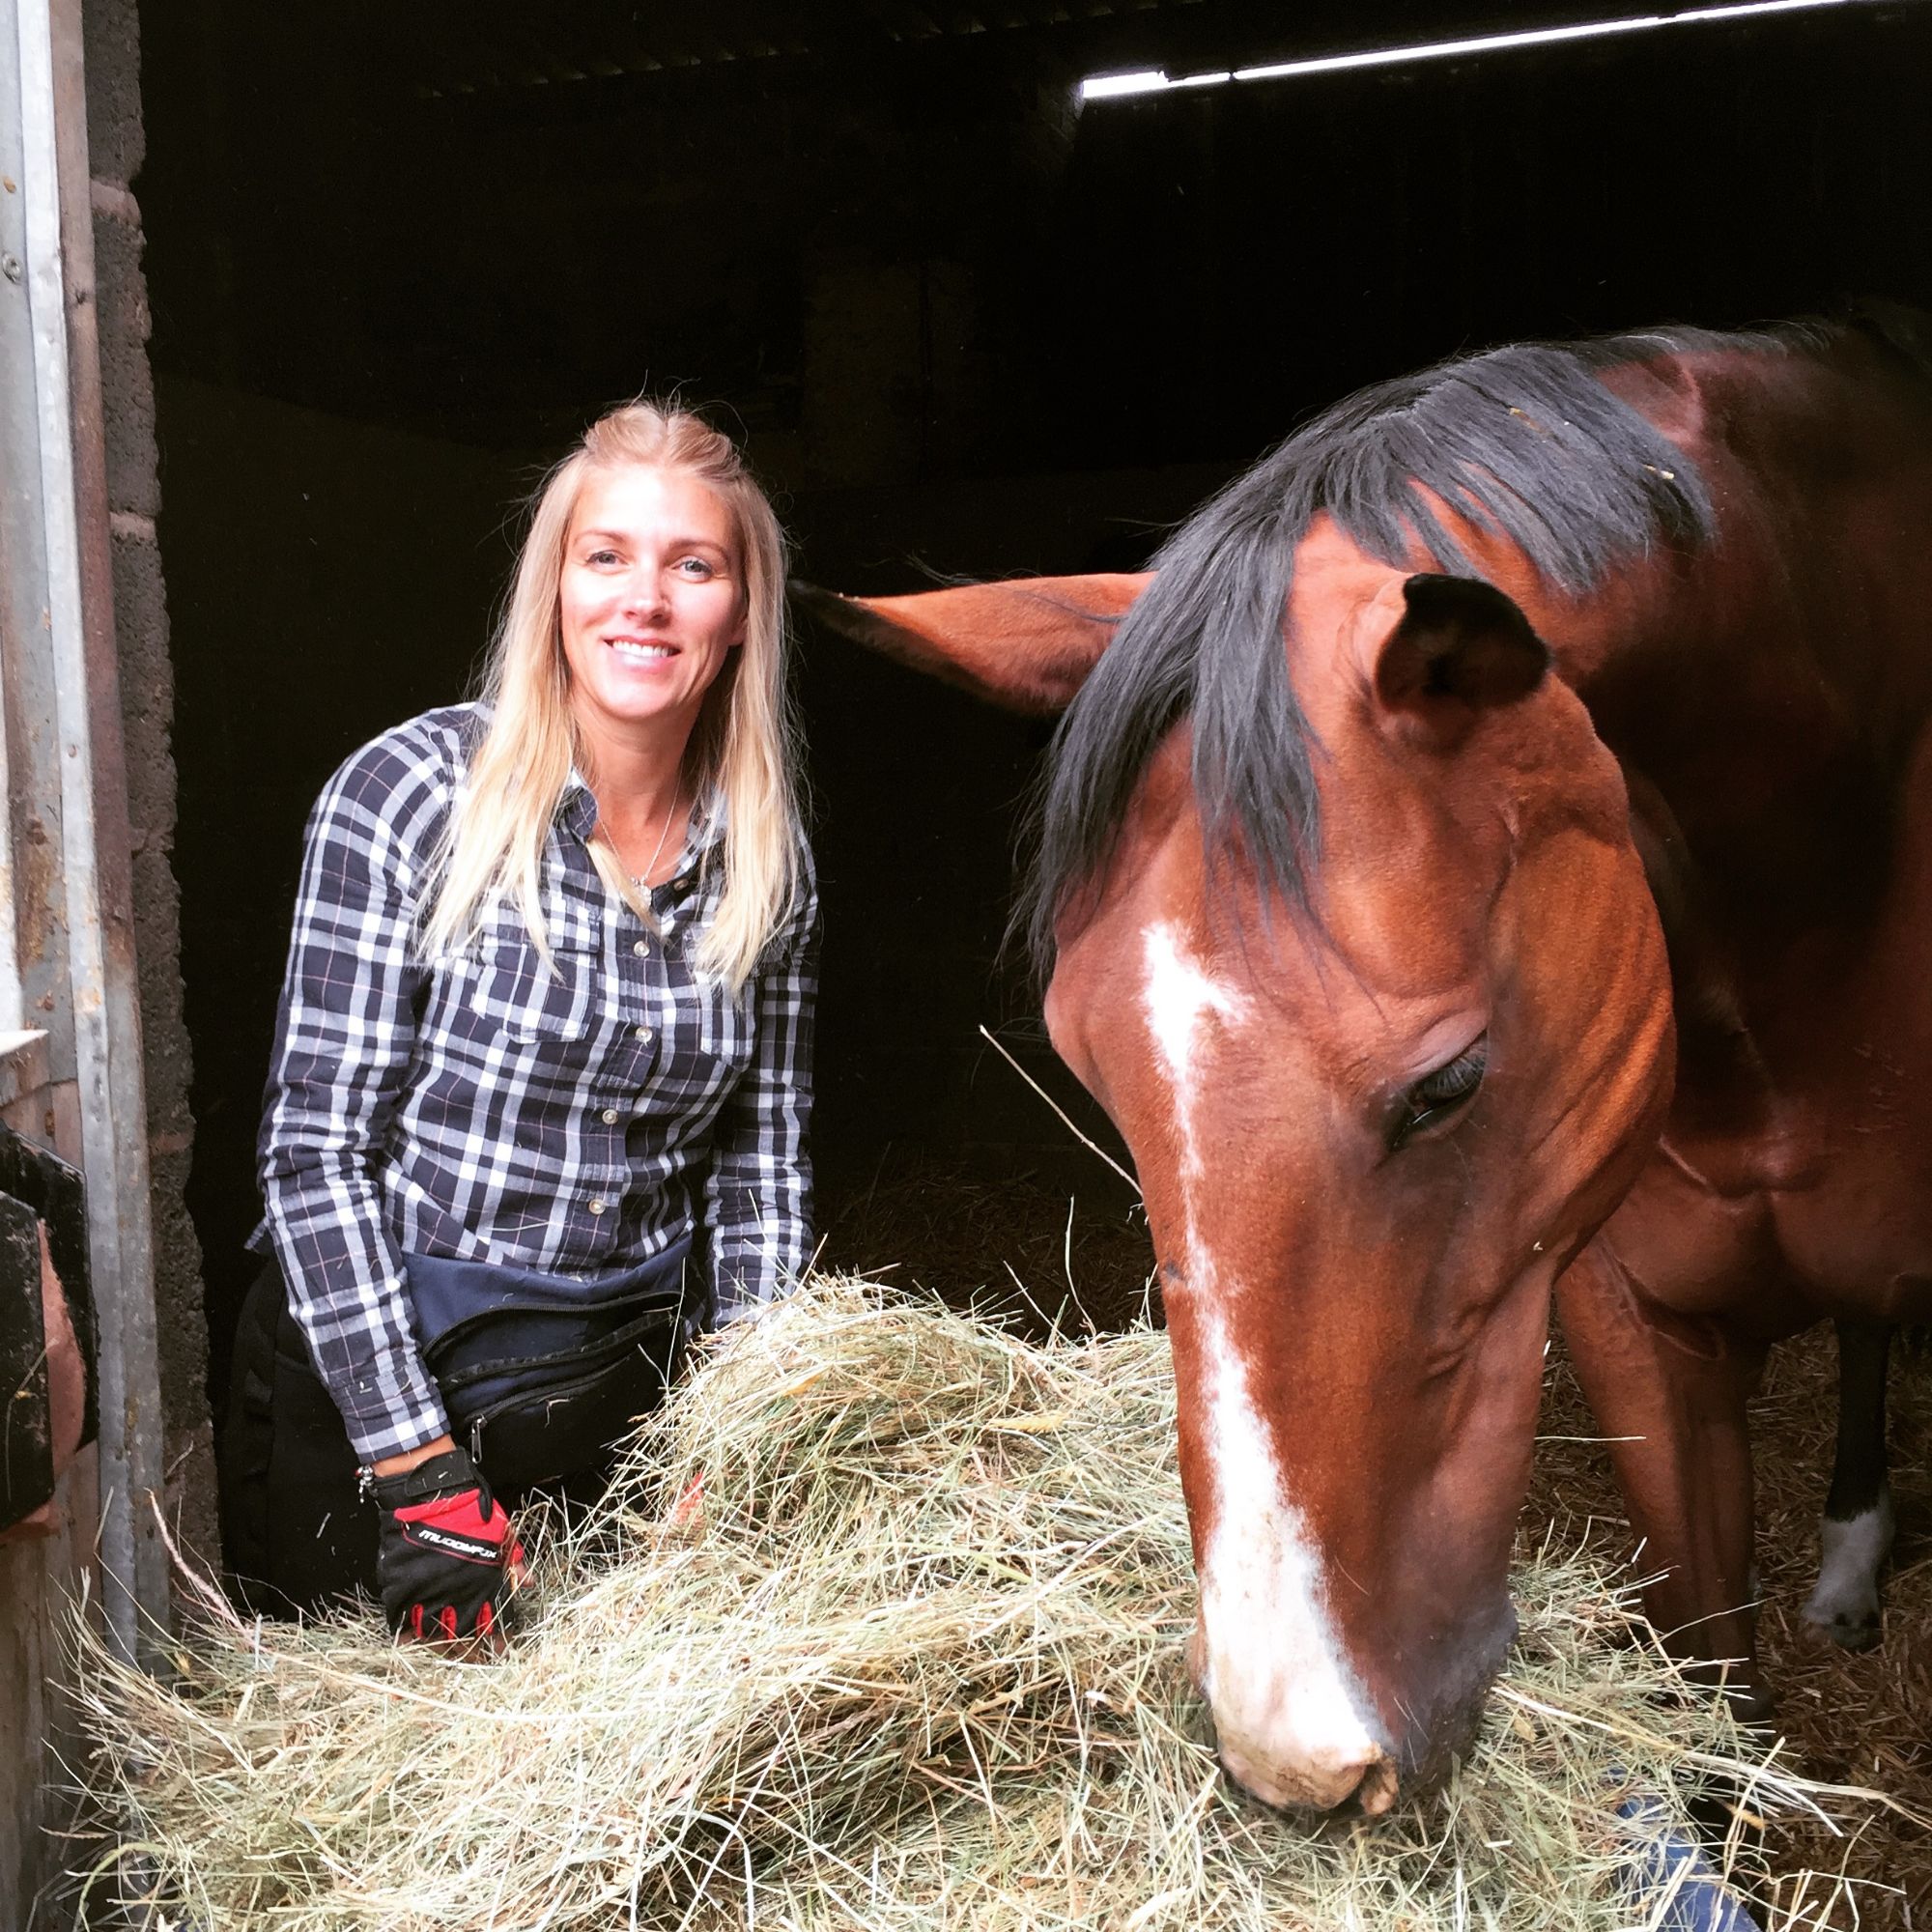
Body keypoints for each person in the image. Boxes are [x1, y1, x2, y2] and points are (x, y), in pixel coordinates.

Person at [220, 403, 816, 1643]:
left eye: (690, 565)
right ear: (554, 587)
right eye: (605, 556)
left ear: (740, 609)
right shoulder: (406, 799)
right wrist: (418, 1473)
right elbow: (312, 1157)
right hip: (386, 1382)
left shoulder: (769, 862)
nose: (643, 599)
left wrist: (740, 1428)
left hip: (616, 1396)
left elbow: (759, 1170)